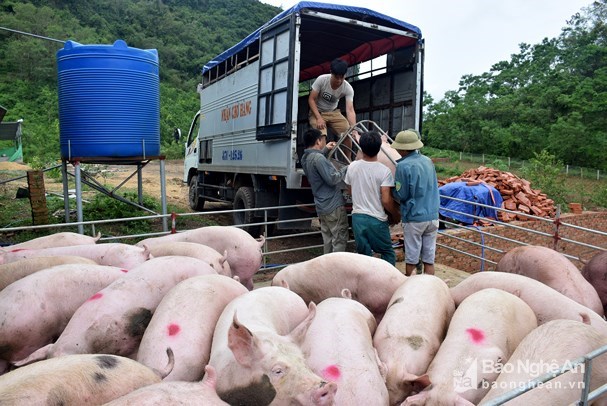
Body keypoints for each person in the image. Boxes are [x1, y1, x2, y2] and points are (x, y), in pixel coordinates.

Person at [344, 131, 401, 265]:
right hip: (376, 219)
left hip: (358, 217)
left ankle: (366, 284)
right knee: (386, 252)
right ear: (379, 147)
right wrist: (395, 213)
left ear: (361, 147)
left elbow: (350, 190)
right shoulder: (384, 171)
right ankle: (388, 283)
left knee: (363, 256)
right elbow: (386, 200)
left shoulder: (352, 167)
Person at [392, 129, 440, 275]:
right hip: (432, 216)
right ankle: (430, 287)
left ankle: (410, 289)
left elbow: (402, 194)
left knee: (412, 258)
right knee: (429, 258)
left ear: (403, 149)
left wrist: (391, 191)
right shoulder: (427, 161)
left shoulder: (403, 166)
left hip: (414, 218)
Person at [300, 128, 349, 254]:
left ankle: (327, 268)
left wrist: (325, 149)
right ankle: (337, 268)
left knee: (327, 238)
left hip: (321, 205)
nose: (324, 141)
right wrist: (347, 168)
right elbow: (332, 179)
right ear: (318, 141)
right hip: (333, 205)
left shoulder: (305, 158)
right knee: (339, 238)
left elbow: (317, 161)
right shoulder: (318, 158)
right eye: (323, 139)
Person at [308, 58, 357, 159]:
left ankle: (348, 161)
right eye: (336, 77)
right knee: (321, 136)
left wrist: (354, 129)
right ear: (331, 73)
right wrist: (318, 118)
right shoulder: (321, 80)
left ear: (345, 75)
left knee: (348, 133)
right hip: (318, 112)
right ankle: (322, 161)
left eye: (342, 77)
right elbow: (311, 99)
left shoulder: (347, 88)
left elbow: (350, 110)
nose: (339, 80)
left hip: (333, 113)